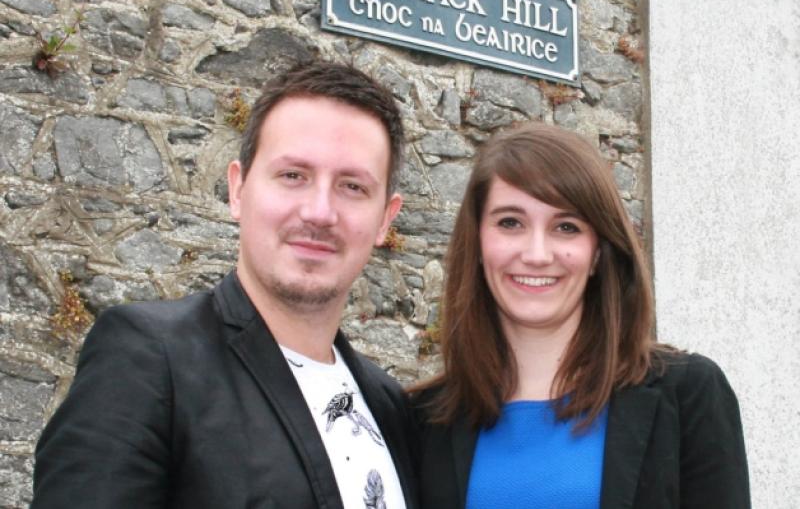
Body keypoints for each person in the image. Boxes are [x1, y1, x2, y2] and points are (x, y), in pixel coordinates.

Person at [32, 61, 419, 509]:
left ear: (385, 220)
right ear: (238, 189)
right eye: (293, 175)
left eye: (352, 186)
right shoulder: (150, 360)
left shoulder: (390, 407)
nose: (319, 212)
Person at [412, 122, 750, 509]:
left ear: (598, 253)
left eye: (566, 227)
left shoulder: (688, 394)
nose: (537, 254)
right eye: (510, 222)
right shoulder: (424, 419)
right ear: (477, 242)